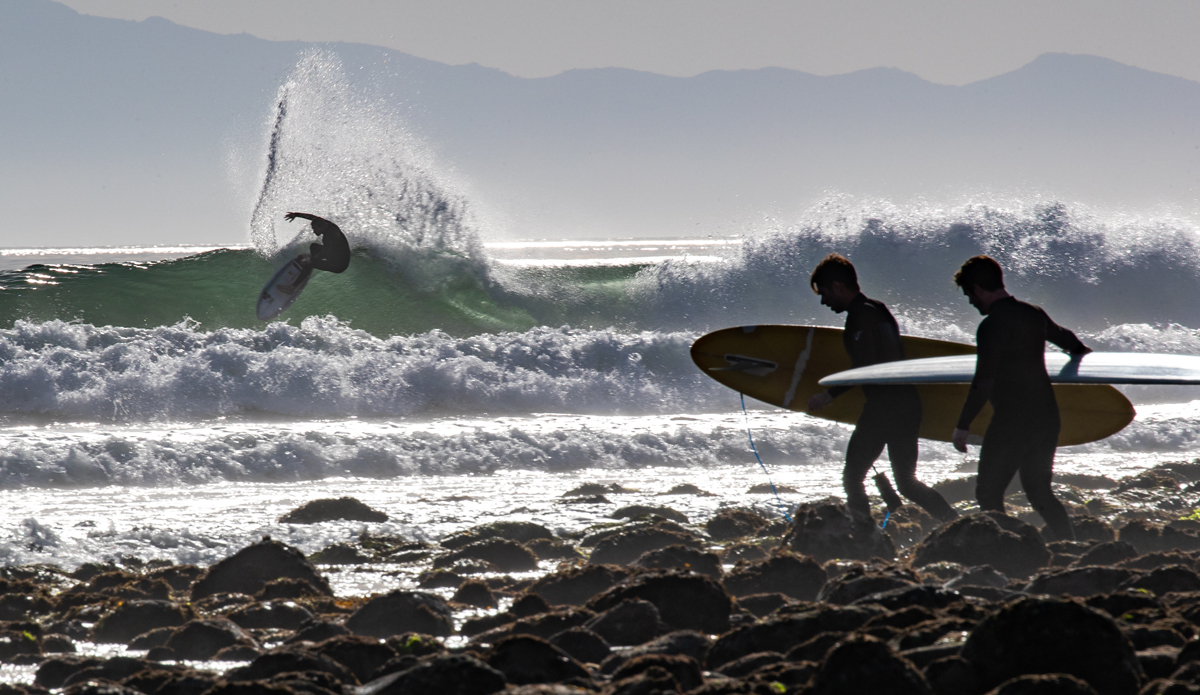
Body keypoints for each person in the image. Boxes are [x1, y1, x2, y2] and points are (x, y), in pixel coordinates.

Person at [806, 253, 959, 526]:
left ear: (839, 286)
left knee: (853, 477)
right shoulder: (878, 309)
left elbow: (866, 366)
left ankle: (865, 535)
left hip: (884, 409)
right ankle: (954, 522)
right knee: (907, 483)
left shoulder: (859, 317)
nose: (823, 300)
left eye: (825, 292)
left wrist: (829, 394)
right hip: (907, 405)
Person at [951, 255, 1091, 541]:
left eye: (968, 295)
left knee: (988, 493)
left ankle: (1015, 549)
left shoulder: (991, 326)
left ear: (978, 289)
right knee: (1039, 491)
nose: (970, 302)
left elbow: (984, 380)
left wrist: (962, 425)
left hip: (1012, 420)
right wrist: (1088, 368)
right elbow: (1071, 342)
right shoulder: (1033, 314)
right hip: (1046, 417)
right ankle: (1070, 545)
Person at [276, 212, 350, 293]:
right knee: (314, 247)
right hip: (338, 254)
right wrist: (296, 214)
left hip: (339, 264)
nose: (314, 232)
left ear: (321, 227)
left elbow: (325, 253)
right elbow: (312, 217)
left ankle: (292, 288)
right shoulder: (327, 224)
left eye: (315, 229)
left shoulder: (329, 237)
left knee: (310, 263)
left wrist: (310, 260)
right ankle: (308, 268)